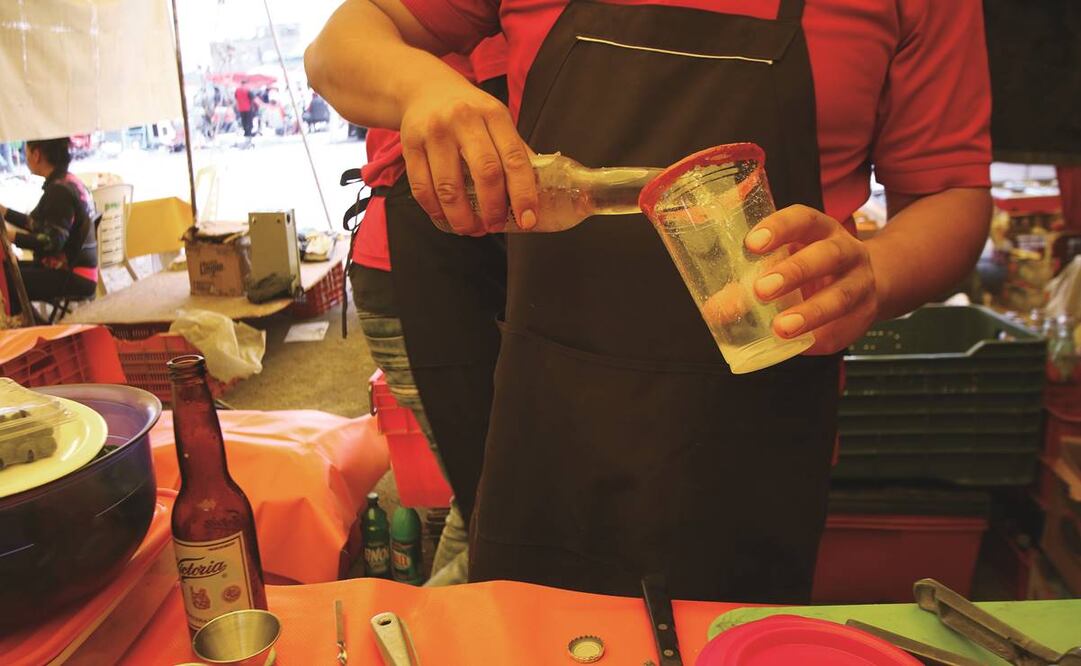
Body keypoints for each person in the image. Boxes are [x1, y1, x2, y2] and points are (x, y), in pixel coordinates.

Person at [307, 0, 993, 603]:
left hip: (757, 420)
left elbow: (949, 193)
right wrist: (424, 87)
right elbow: (339, 44)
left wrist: (876, 273)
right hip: (549, 409)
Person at [347, 35, 508, 586]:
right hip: (412, 266)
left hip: (471, 264)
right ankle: (429, 632)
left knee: (489, 495)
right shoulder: (482, 39)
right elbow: (330, 58)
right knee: (494, 500)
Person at [1, 137, 97, 316]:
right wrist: (4, 212)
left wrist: (10, 236)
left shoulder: (59, 191)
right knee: (6, 270)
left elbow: (52, 241)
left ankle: (33, 330)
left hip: (75, 276)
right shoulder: (68, 181)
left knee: (6, 282)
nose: (26, 156)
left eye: (26, 151)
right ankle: (32, 327)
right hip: (75, 270)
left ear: (36, 155)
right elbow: (38, 225)